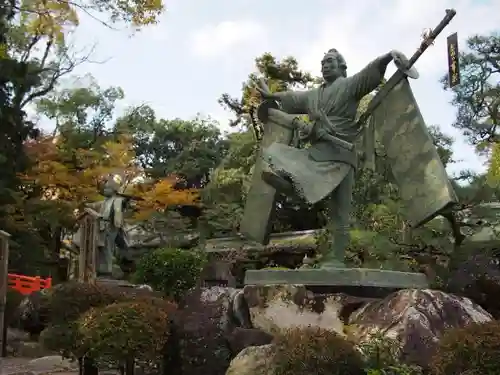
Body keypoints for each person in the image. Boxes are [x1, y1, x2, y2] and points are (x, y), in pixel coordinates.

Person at [255, 48, 403, 268]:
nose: (325, 65)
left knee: (340, 211)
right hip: (317, 152)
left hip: (342, 155)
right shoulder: (314, 95)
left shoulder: (350, 85)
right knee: (280, 154)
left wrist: (388, 56)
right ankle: (291, 189)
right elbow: (293, 98)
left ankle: (337, 258)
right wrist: (271, 96)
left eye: (330, 61)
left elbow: (369, 73)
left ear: (342, 66)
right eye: (323, 62)